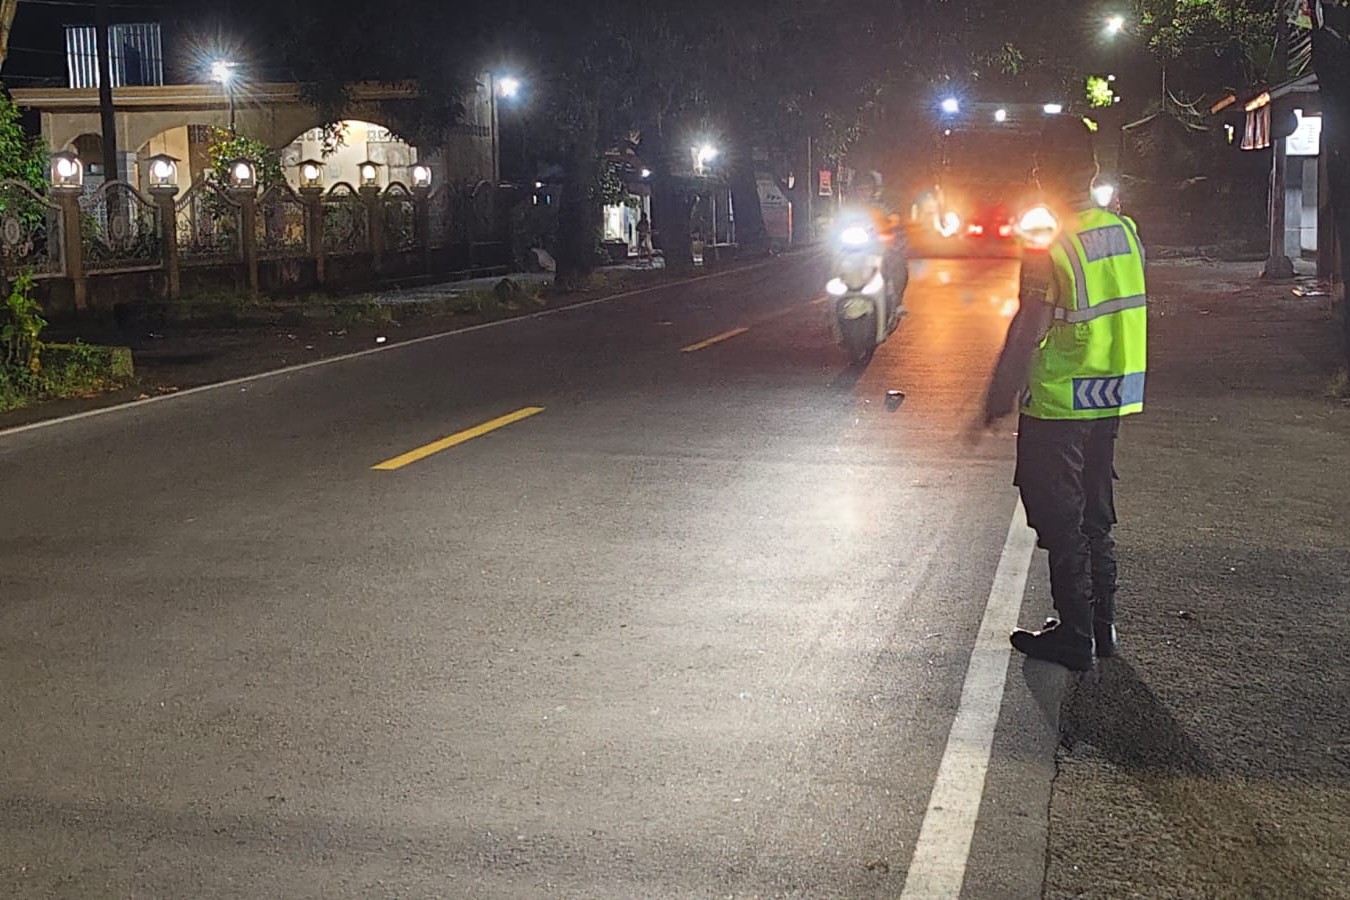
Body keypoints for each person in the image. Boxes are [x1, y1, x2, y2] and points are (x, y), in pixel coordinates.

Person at [982, 116, 1148, 672]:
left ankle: (1075, 632)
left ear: (1043, 172)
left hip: (1060, 399)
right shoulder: (1124, 232)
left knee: (1060, 513)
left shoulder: (1049, 242)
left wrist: (1000, 390)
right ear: (1094, 168)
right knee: (1096, 510)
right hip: (1113, 394)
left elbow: (1029, 323)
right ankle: (1102, 627)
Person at [840, 170, 909, 315]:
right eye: (860, 189)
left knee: (898, 264)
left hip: (880, 248)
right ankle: (834, 303)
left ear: (874, 190)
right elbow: (837, 224)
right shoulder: (848, 208)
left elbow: (894, 220)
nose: (863, 192)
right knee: (831, 264)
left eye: (867, 189)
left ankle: (897, 303)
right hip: (853, 249)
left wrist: (894, 227)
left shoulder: (883, 207)